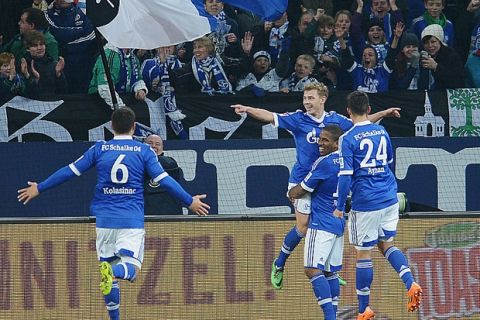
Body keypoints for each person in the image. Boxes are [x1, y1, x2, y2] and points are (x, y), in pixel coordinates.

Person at [17, 107, 210, 320]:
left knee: (107, 273)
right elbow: (165, 180)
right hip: (131, 220)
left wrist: (40, 188)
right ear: (134, 127)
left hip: (104, 221)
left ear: (110, 126)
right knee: (131, 270)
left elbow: (69, 171)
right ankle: (115, 272)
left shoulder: (99, 149)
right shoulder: (144, 151)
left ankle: (114, 316)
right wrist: (189, 201)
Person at [231, 82, 400, 290]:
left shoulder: (335, 121)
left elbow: (361, 124)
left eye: (310, 98)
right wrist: (247, 110)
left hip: (326, 182)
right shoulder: (298, 119)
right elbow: (269, 115)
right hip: (303, 182)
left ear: (323, 99)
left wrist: (383, 113)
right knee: (303, 227)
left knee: (333, 224)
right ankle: (279, 262)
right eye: (304, 98)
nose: (306, 102)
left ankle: (329, 270)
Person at [333, 91, 422, 320]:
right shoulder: (382, 131)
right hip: (389, 197)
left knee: (363, 254)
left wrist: (339, 206)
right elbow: (389, 162)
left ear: (348, 111)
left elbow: (345, 176)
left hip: (366, 202)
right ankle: (410, 282)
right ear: (369, 109)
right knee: (387, 245)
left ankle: (364, 309)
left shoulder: (347, 138)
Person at [288, 124, 345, 320]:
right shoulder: (349, 162)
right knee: (330, 272)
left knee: (312, 268)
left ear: (337, 143)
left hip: (321, 223)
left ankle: (330, 317)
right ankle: (334, 315)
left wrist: (290, 192)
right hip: (338, 223)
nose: (320, 143)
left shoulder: (325, 163)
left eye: (325, 140)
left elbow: (302, 189)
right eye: (320, 139)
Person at [88, 45, 148, 109]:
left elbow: (138, 78)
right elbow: (105, 87)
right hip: (100, 104)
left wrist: (140, 89)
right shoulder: (108, 54)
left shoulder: (133, 58)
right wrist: (121, 108)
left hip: (124, 101)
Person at [144, 134, 184, 215]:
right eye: (150, 143)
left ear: (162, 148)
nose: (154, 146)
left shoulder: (169, 162)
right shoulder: (137, 164)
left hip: (168, 213)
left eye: (157, 144)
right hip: (145, 213)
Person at [417, 24, 464, 90]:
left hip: (445, 95)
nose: (430, 45)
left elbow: (458, 81)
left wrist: (436, 67)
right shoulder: (422, 56)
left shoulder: (452, 56)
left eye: (433, 42)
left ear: (440, 41)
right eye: (426, 43)